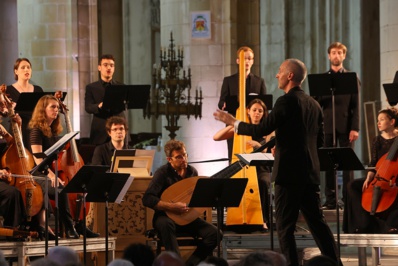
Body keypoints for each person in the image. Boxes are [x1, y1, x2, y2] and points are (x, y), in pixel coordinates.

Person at [213, 58, 341, 266]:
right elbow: (318, 142)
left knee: (285, 228)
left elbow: (260, 130)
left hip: (289, 175)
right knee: (318, 225)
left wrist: (233, 122)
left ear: (290, 76)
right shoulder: (314, 104)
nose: (276, 75)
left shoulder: (286, 101)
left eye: (280, 71)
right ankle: (336, 263)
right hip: (309, 174)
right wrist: (283, 144)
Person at [28, 94, 98, 239]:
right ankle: (70, 227)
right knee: (61, 189)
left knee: (74, 186)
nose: (56, 110)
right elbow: (37, 159)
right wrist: (52, 175)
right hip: (37, 174)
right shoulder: (36, 130)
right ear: (43, 109)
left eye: (57, 107)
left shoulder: (52, 131)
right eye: (52, 107)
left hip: (48, 172)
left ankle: (79, 225)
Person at [142, 140, 219, 266]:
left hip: (187, 217)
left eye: (184, 155)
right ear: (169, 159)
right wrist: (171, 207)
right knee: (166, 225)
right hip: (165, 217)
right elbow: (147, 198)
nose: (183, 159)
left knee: (215, 233)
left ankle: (191, 264)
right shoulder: (162, 173)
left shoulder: (192, 172)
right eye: (178, 157)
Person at [213, 98, 274, 230]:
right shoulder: (243, 128)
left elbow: (270, 150)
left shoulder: (268, 130)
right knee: (229, 182)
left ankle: (263, 219)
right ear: (248, 111)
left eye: (260, 111)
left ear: (264, 113)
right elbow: (216, 137)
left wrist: (259, 146)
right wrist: (234, 123)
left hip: (262, 168)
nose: (257, 113)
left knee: (262, 182)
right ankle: (232, 219)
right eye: (254, 110)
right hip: (242, 168)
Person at [316, 42, 361, 210]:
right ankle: (330, 199)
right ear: (329, 56)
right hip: (326, 127)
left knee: (347, 164)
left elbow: (356, 105)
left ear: (344, 56)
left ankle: (348, 198)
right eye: (333, 53)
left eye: (339, 53)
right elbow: (316, 103)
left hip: (347, 126)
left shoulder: (351, 77)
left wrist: (355, 128)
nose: (336, 55)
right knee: (328, 163)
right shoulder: (322, 79)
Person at [343, 107, 398, 234]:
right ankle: (364, 223)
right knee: (352, 185)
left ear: (392, 122)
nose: (378, 123)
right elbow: (373, 162)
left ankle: (389, 224)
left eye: (382, 120)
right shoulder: (377, 140)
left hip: (394, 180)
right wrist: (369, 176)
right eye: (378, 120)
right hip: (378, 176)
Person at [217, 46, 267, 160]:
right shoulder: (229, 80)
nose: (247, 61)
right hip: (234, 122)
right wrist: (223, 104)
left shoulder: (259, 81)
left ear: (253, 61)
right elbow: (221, 101)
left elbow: (264, 104)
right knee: (233, 153)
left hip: (254, 124)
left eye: (250, 58)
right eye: (245, 58)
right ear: (238, 61)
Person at [85, 54, 125, 145]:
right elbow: (88, 107)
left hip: (118, 129)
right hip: (100, 130)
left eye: (111, 65)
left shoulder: (121, 86)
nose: (109, 68)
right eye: (105, 65)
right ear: (99, 67)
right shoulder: (91, 87)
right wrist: (98, 106)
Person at [5, 58, 44, 151]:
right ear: (16, 71)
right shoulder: (8, 90)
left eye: (28, 67)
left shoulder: (38, 89)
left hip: (36, 131)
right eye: (23, 67)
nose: (26, 70)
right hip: (18, 130)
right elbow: (4, 112)